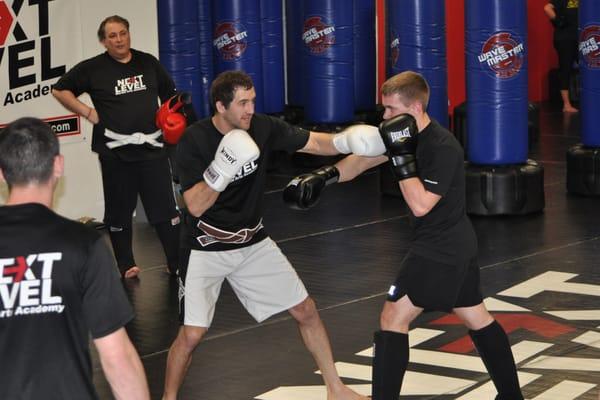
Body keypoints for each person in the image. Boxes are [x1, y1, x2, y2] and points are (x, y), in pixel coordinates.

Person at [284, 71, 524, 400]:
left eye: (391, 110)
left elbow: (422, 204)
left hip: (441, 247)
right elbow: (360, 162)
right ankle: (512, 396)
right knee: (476, 316)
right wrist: (324, 177)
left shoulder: (442, 147)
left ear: (414, 108)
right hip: (452, 244)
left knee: (392, 317)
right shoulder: (402, 137)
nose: (384, 117)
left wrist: (401, 158)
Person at [162, 70, 379, 400]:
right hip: (205, 246)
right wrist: (222, 169)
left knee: (306, 310)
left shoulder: (262, 127)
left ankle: (336, 389)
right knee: (191, 335)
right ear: (221, 106)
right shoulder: (195, 141)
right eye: (242, 103)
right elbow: (193, 205)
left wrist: (344, 141)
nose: (250, 109)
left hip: (252, 241)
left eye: (252, 101)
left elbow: (312, 142)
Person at [0, 117, 150, 400]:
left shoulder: (84, 244)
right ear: (58, 165)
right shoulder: (83, 244)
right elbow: (117, 357)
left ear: (2, 173)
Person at [52, 15, 185, 278]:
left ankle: (175, 261)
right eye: (112, 36)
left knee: (164, 209)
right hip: (115, 151)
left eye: (123, 33)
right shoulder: (92, 68)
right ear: (104, 41)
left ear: (129, 34)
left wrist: (173, 118)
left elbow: (171, 96)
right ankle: (126, 265)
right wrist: (87, 112)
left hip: (151, 148)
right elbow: (60, 89)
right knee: (119, 210)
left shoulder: (148, 62)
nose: (119, 39)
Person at [544, 0, 579, 113]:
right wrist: (558, 21)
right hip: (565, 39)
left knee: (590, 66)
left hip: (581, 37)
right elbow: (547, 8)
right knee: (566, 68)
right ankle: (566, 104)